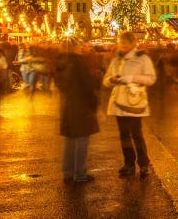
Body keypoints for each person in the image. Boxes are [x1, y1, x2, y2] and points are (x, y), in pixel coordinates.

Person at [103, 31, 157, 179]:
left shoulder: (143, 59)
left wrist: (131, 78)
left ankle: (144, 164)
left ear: (133, 44)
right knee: (124, 136)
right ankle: (129, 163)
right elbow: (106, 79)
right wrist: (111, 80)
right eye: (121, 43)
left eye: (125, 43)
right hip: (118, 102)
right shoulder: (116, 60)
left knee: (137, 135)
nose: (122, 46)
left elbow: (151, 79)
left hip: (133, 102)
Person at [56, 39, 100, 183]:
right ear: (74, 48)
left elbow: (59, 83)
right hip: (81, 105)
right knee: (82, 139)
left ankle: (67, 171)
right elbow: (88, 85)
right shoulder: (79, 63)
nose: (82, 48)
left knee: (70, 139)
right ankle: (79, 173)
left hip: (68, 104)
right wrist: (94, 104)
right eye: (80, 46)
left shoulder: (61, 62)